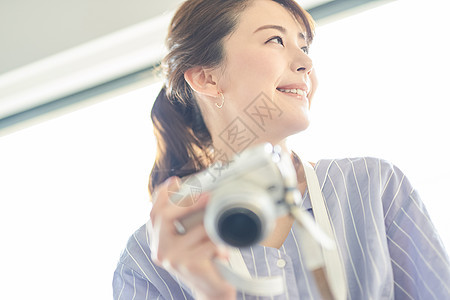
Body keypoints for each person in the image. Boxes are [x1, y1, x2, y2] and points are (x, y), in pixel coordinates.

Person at [112, 0, 450, 299]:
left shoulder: (376, 188)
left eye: (305, 47)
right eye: (276, 40)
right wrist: (210, 294)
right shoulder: (146, 264)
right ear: (206, 79)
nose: (305, 62)